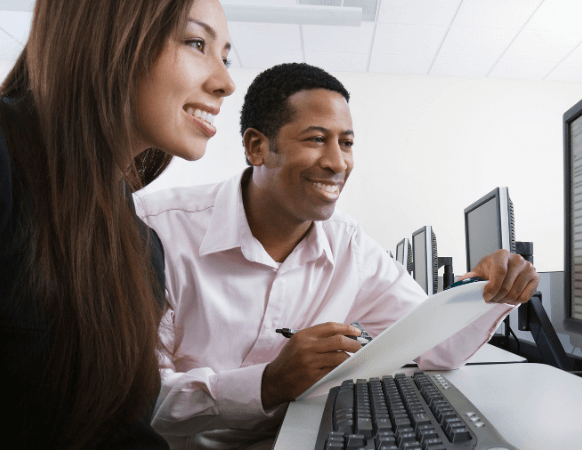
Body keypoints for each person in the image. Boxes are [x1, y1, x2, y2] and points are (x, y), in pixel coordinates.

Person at [137, 63, 538, 449]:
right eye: (315, 139)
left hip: (294, 437)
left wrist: (485, 291)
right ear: (257, 147)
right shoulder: (157, 230)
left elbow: (435, 347)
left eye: (346, 143)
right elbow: (135, 399)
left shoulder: (350, 246)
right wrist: (269, 383)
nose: (337, 162)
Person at [0, 0, 235, 447]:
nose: (224, 81)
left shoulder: (139, 245)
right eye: (196, 43)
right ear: (111, 34)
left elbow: (117, 430)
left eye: (224, 56)